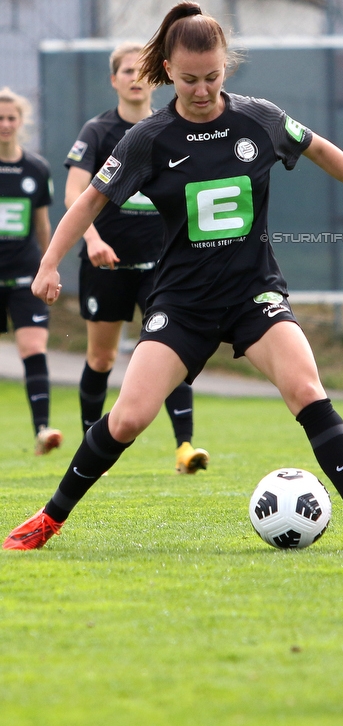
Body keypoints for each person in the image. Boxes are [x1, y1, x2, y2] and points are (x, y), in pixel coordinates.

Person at [3, 1, 343, 554]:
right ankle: (48, 519)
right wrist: (50, 262)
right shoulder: (149, 138)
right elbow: (90, 199)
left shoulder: (258, 119)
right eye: (190, 79)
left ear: (227, 67)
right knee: (127, 419)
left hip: (252, 293)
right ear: (168, 71)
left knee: (307, 389)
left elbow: (320, 149)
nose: (202, 89)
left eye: (213, 77)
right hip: (182, 303)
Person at [64, 43, 208, 474]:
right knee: (101, 359)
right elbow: (75, 195)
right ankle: (94, 443)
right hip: (107, 265)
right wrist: (91, 240)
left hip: (163, 269)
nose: (134, 77)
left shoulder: (170, 127)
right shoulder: (97, 131)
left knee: (174, 349)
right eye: (125, 70)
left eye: (140, 70)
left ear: (155, 77)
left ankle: (186, 447)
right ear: (114, 80)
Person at [0, 87, 61, 455]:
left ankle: (43, 430)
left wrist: (48, 265)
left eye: (11, 118)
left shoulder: (36, 168)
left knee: (33, 346)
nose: (5, 124)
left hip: (24, 275)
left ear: (22, 122)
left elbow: (42, 226)